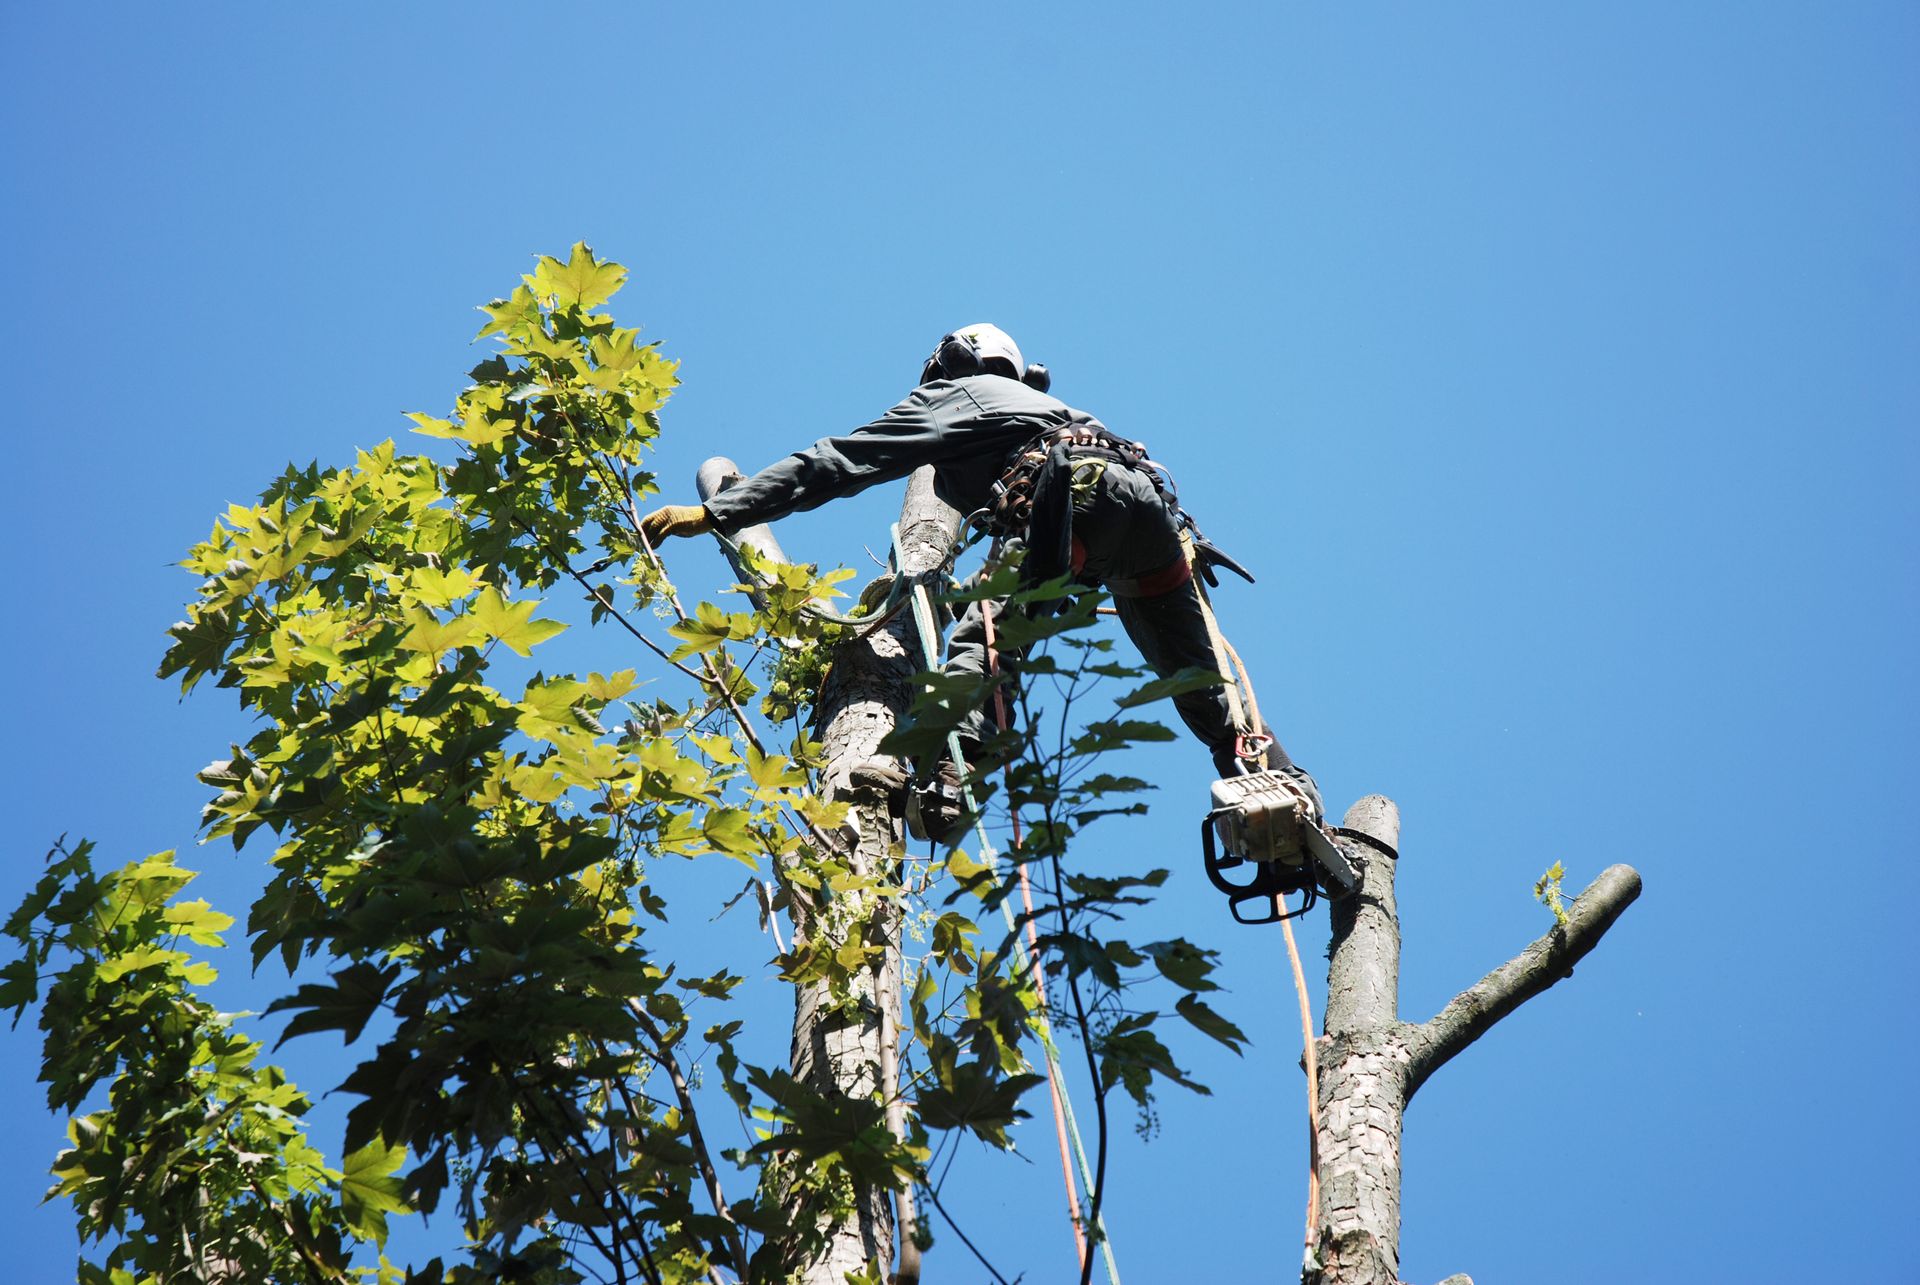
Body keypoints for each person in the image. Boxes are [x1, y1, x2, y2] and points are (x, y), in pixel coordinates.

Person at [639, 324, 1320, 815]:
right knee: (1201, 682)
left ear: (951, 361)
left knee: (987, 632)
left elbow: (837, 461)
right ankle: (1278, 782)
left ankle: (943, 765)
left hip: (1069, 509)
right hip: (1146, 520)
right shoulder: (1043, 406)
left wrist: (723, 511)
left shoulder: (957, 396)